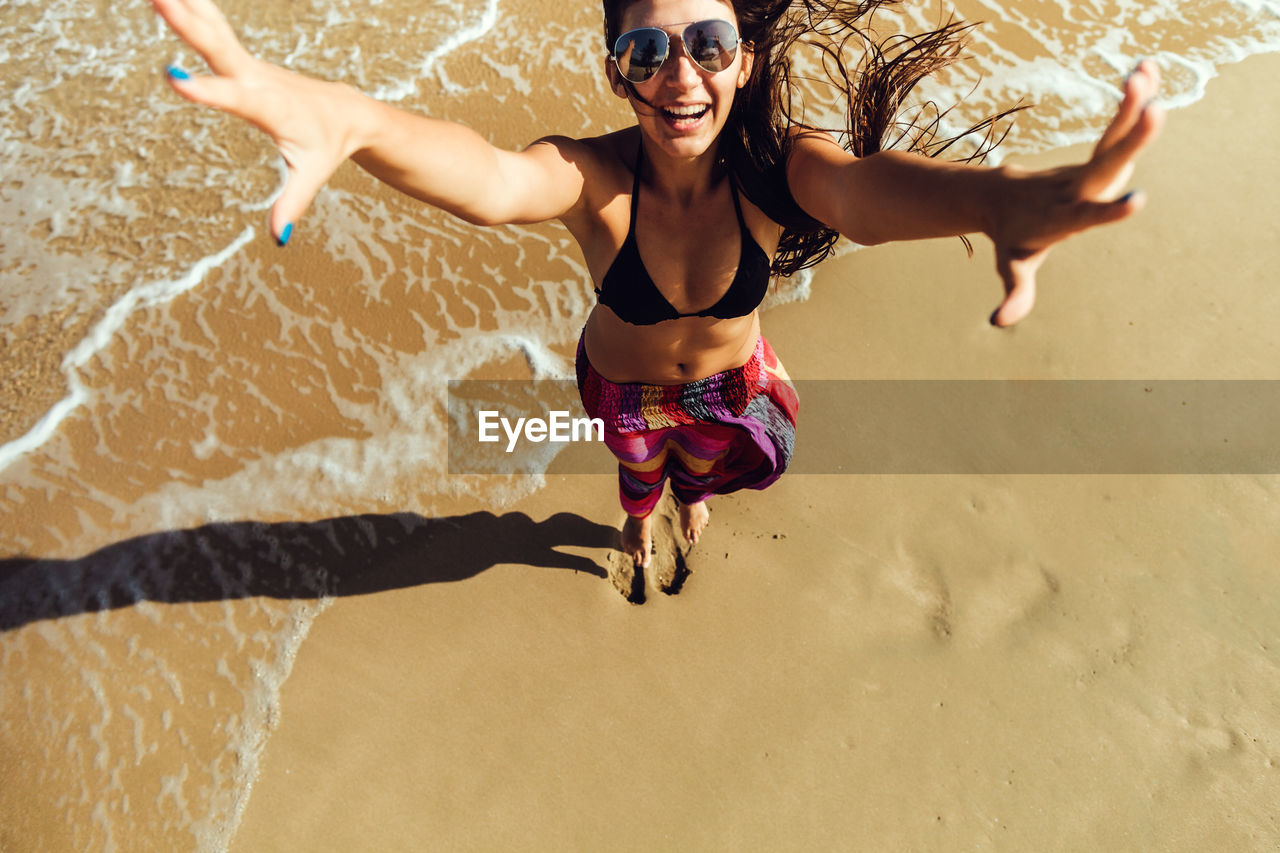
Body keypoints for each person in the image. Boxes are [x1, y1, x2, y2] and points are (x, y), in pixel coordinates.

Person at [151, 0, 1163, 569]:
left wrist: (998, 200)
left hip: (732, 385)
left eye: (708, 44)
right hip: (623, 389)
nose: (680, 74)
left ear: (744, 57)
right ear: (616, 73)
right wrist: (352, 119)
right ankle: (639, 522)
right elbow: (491, 180)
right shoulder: (593, 183)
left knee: (711, 476)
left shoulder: (779, 173)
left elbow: (860, 193)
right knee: (638, 483)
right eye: (647, 49)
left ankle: (689, 506)